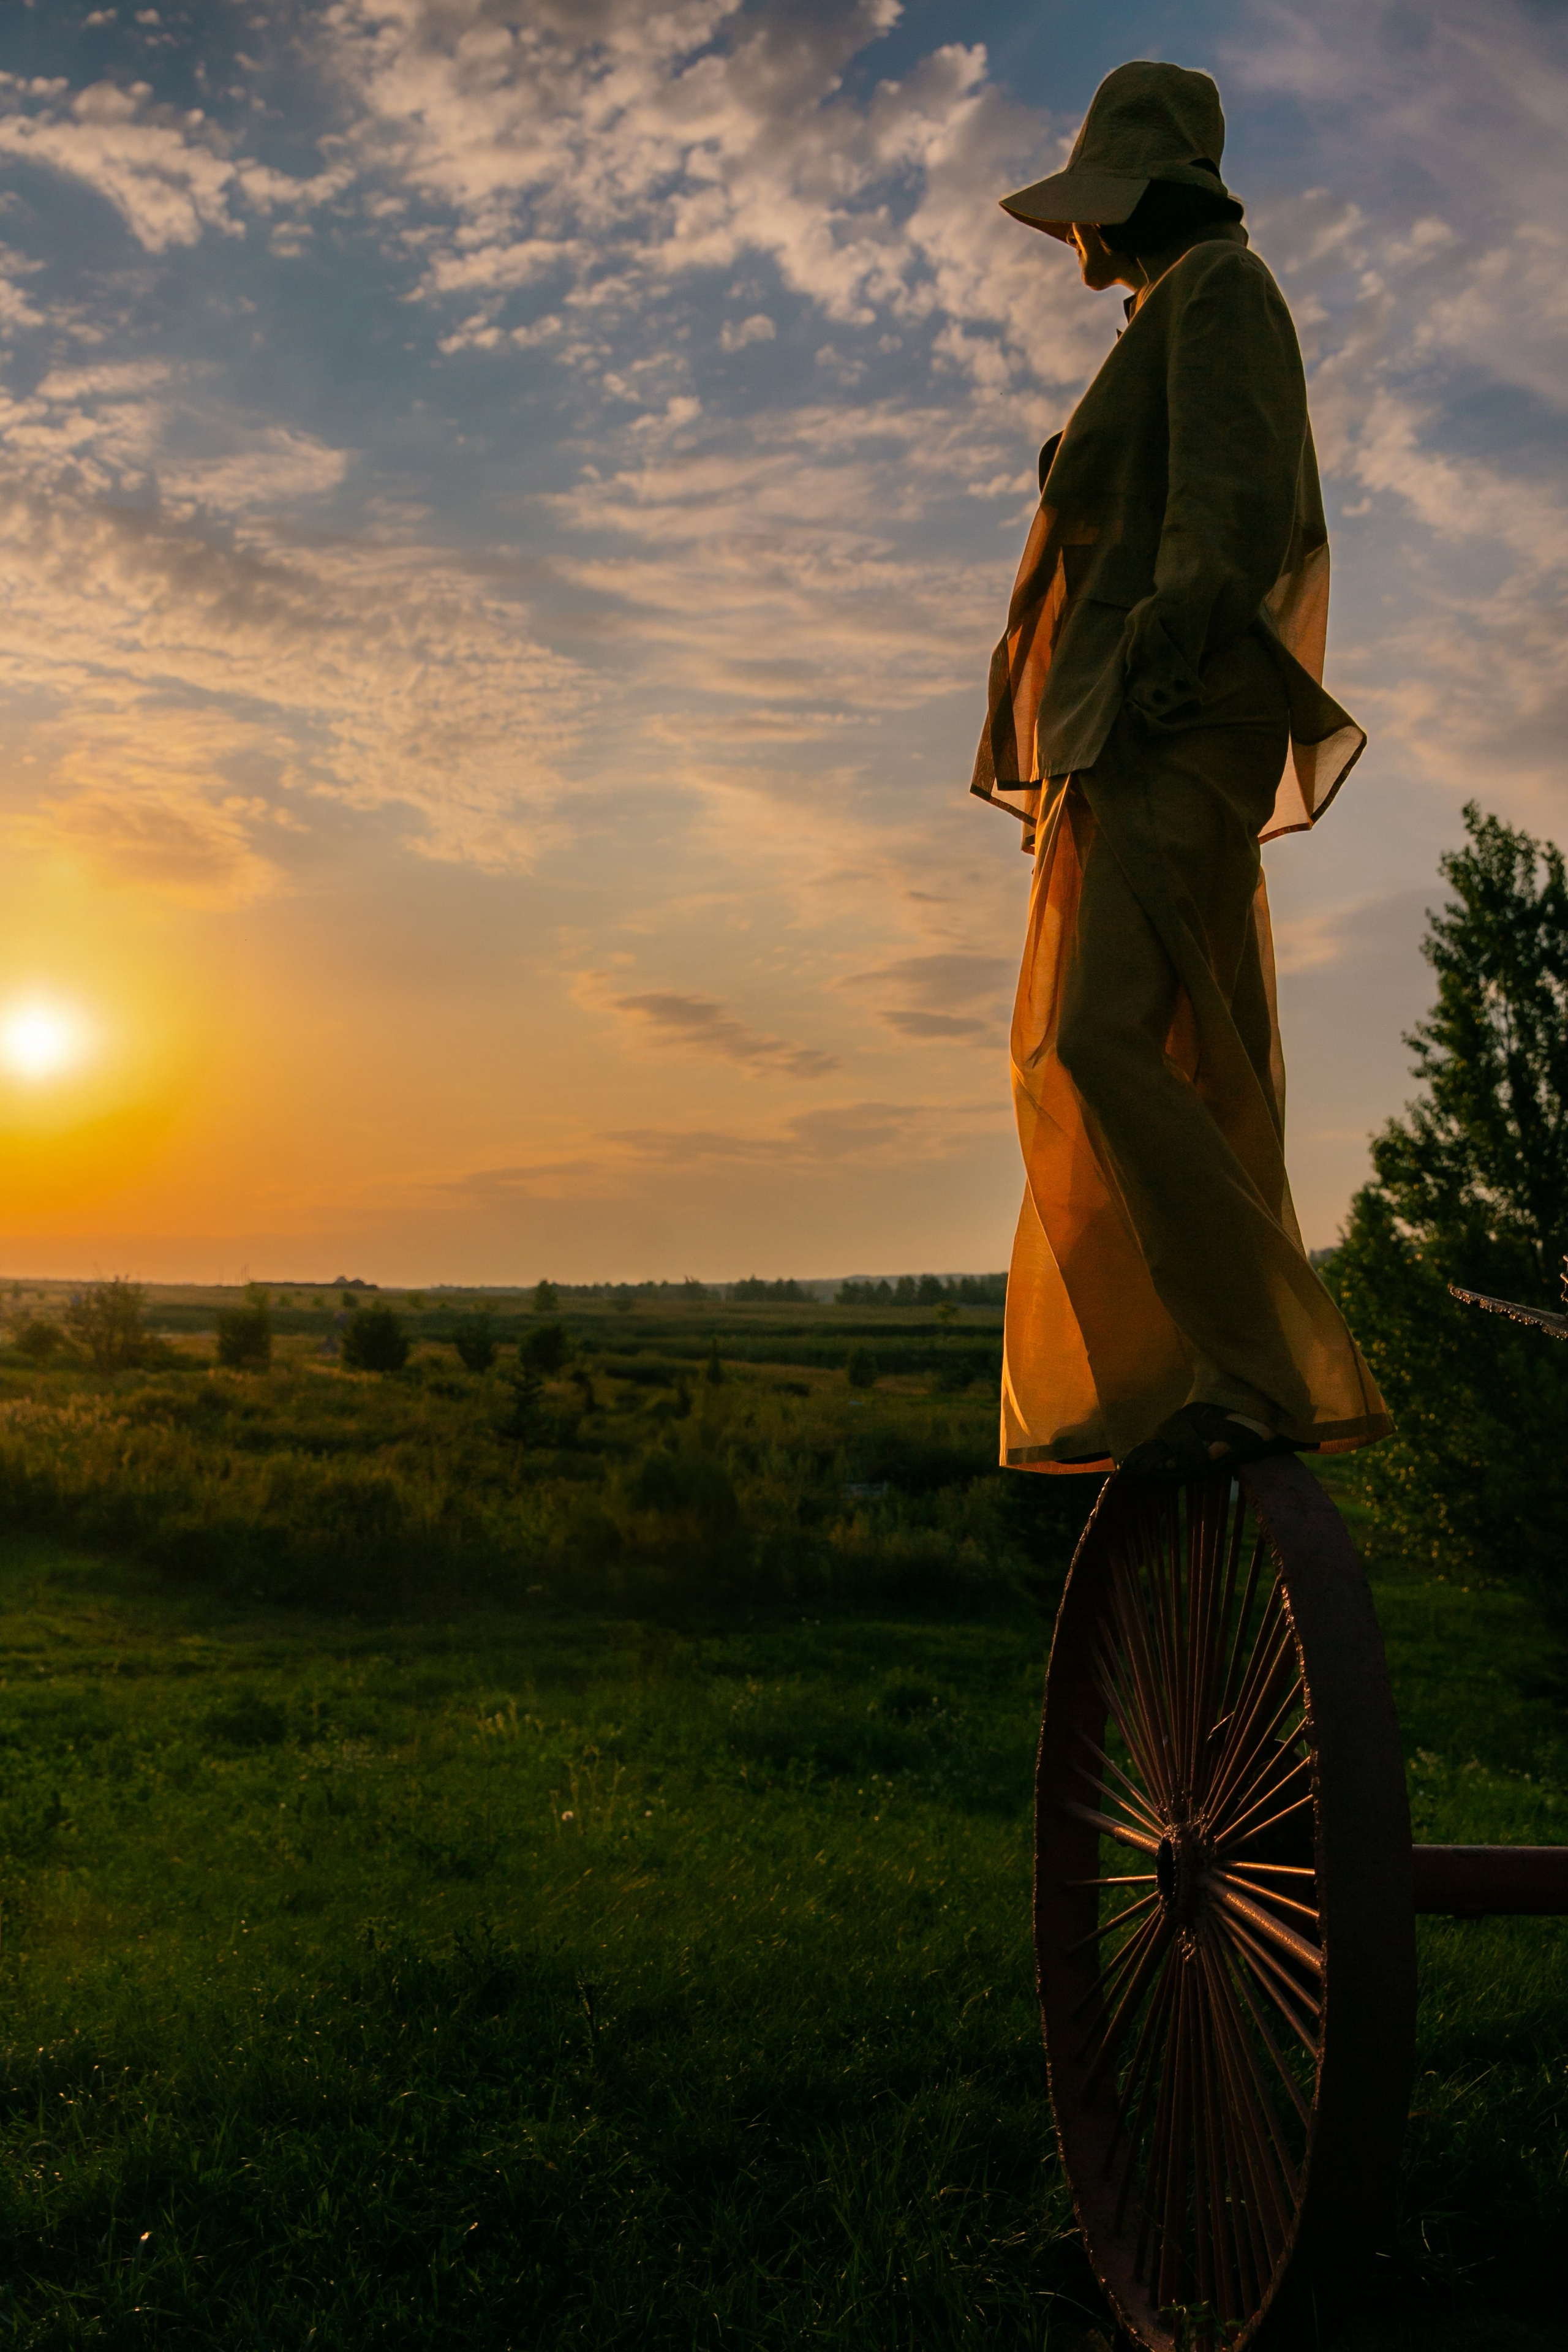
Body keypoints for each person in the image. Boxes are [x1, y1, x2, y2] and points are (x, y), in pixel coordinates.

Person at [971, 59, 1390, 1481]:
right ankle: (1203, 1371)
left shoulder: (1218, 294)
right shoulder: (1170, 312)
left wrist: (1158, 648)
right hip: (1136, 722)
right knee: (1126, 1043)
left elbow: (1229, 496)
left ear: (1140, 192)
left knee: (1096, 1036)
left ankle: (1252, 1370)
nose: (1071, 237)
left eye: (1088, 205)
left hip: (1168, 717)